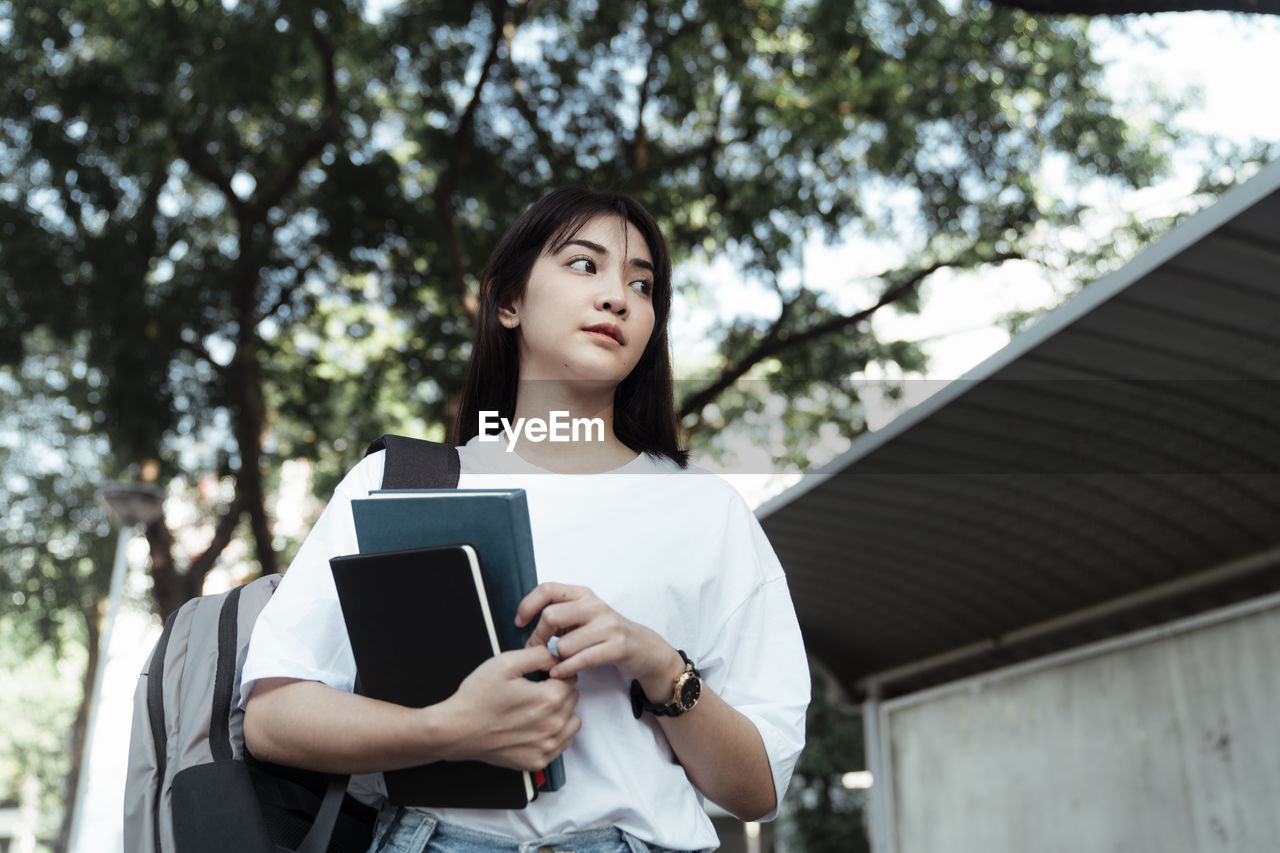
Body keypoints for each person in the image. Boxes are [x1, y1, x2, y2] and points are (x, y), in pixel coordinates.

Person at [240, 187, 810, 853]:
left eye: (643, 283)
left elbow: (757, 787)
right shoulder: (399, 485)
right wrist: (449, 726)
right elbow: (273, 716)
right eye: (583, 264)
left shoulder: (708, 511)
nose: (617, 297)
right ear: (508, 301)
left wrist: (657, 663)